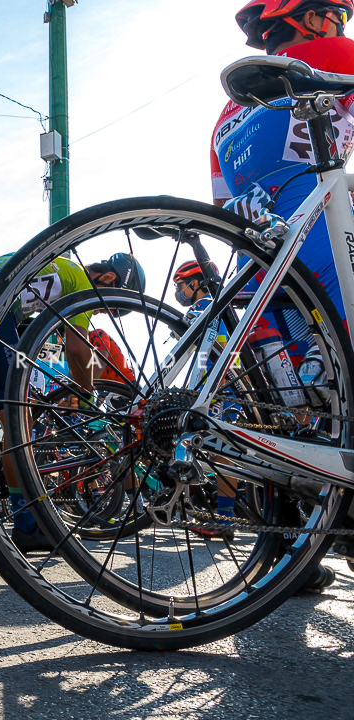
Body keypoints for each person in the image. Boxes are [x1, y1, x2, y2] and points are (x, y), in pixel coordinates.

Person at [213, 0, 351, 592]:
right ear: (311, 19)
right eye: (339, 16)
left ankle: (290, 548)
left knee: (287, 413)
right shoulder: (330, 56)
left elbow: (220, 201)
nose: (342, 27)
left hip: (258, 260)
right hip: (320, 242)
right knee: (341, 391)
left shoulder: (225, 113)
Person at [0, 252, 145, 549]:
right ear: (108, 279)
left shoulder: (56, 262)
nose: (97, 311)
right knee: (18, 425)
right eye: (105, 307)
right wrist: (85, 394)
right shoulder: (82, 280)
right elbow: (77, 348)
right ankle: (26, 526)